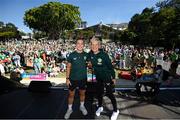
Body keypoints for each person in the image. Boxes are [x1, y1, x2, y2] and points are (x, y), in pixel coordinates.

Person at [89, 37, 119, 120]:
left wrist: (113, 77)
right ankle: (100, 106)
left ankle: (116, 111)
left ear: (98, 45)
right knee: (99, 93)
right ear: (90, 45)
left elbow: (110, 67)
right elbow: (86, 61)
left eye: (96, 44)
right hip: (98, 78)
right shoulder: (90, 54)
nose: (94, 46)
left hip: (107, 78)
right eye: (92, 44)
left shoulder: (104, 55)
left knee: (109, 94)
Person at [64, 38, 88, 119]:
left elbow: (90, 65)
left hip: (83, 79)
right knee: (71, 95)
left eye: (81, 43)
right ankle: (70, 109)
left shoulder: (86, 55)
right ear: (76, 44)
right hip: (72, 79)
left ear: (83, 45)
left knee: (82, 94)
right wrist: (67, 78)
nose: (80, 45)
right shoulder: (71, 55)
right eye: (78, 43)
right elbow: (68, 67)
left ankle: (82, 106)